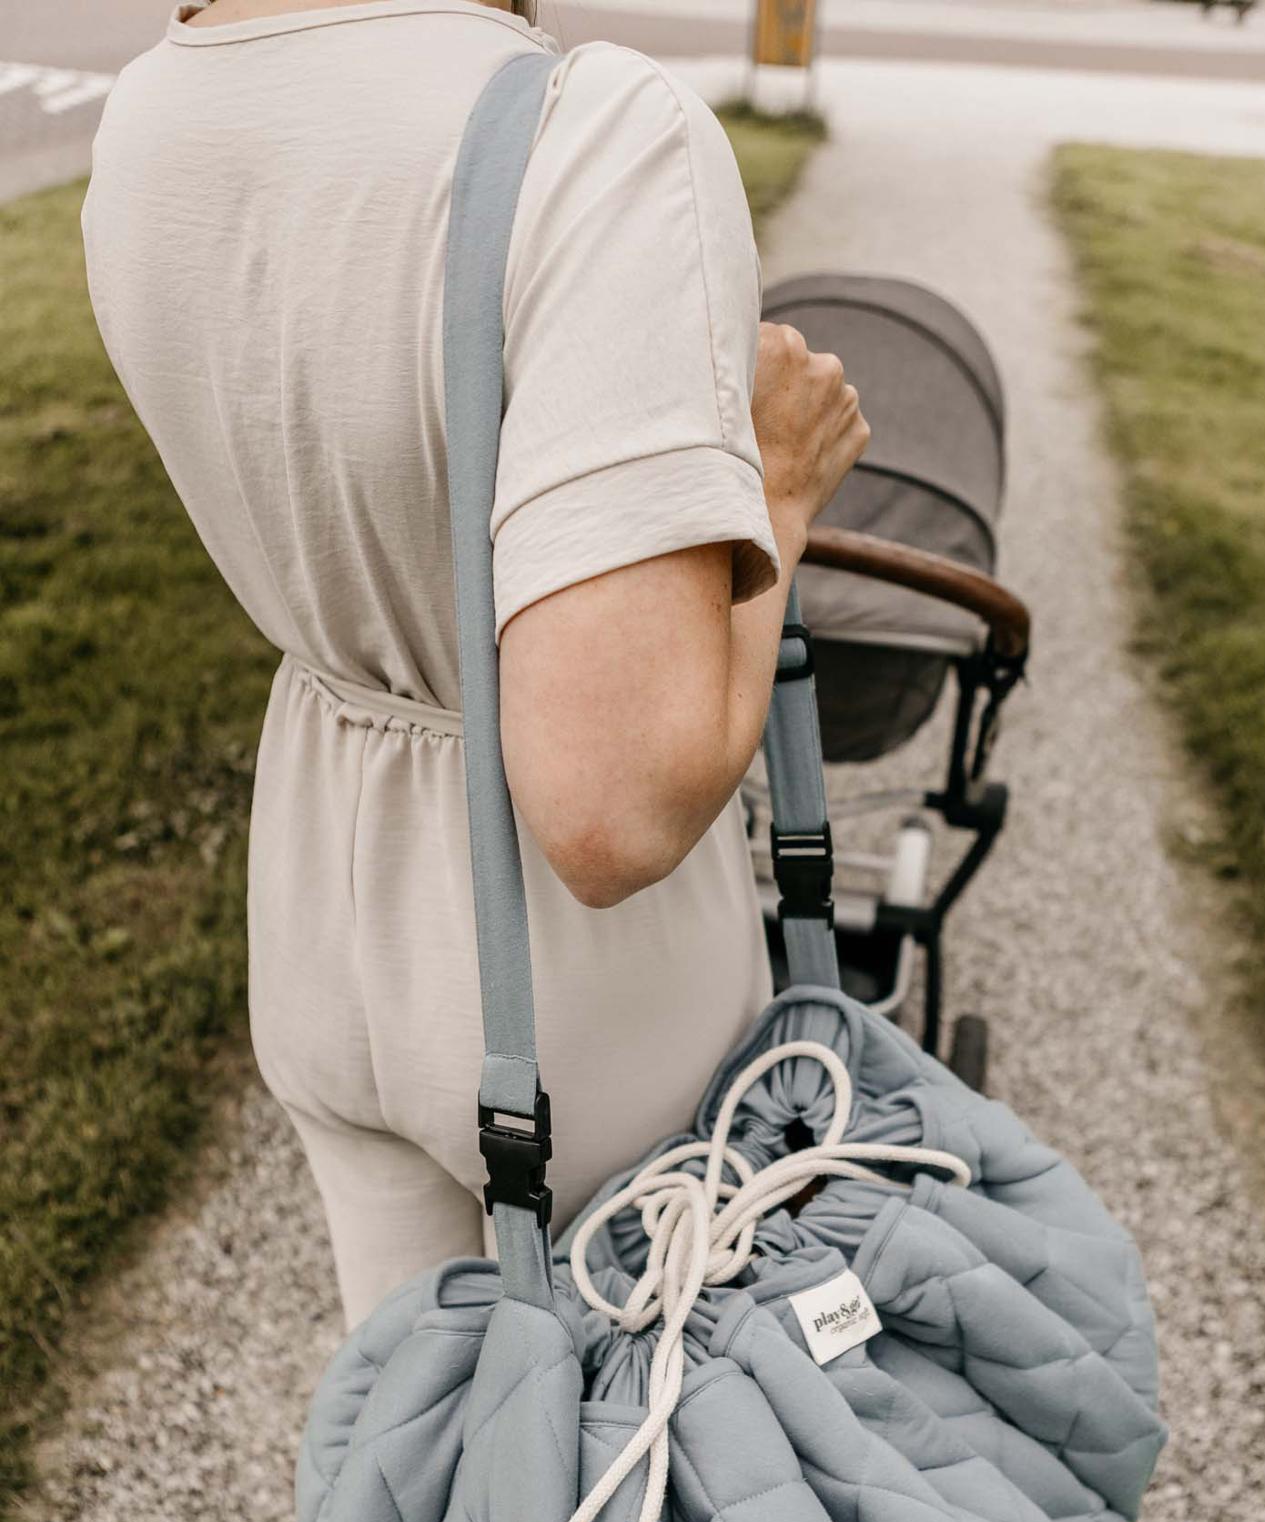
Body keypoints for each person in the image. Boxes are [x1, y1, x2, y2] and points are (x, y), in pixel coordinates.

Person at [81, 0, 868, 1329]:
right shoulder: (596, 136)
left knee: (425, 1446)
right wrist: (777, 493)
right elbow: (610, 810)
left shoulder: (152, 112)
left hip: (324, 899)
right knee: (670, 1472)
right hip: (567, 985)